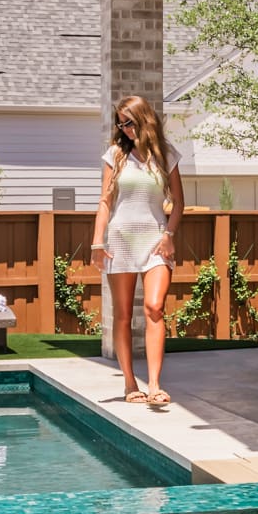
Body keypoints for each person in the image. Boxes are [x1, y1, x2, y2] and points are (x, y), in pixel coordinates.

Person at [91, 94, 184, 408]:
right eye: (121, 124)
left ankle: (155, 385)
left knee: (155, 307)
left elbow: (178, 203)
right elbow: (105, 202)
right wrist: (97, 242)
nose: (125, 129)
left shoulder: (166, 155)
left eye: (129, 122)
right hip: (121, 241)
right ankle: (131, 383)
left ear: (144, 119)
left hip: (156, 240)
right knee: (123, 315)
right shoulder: (115, 155)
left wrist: (169, 235)